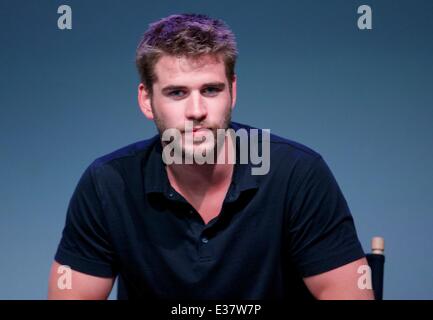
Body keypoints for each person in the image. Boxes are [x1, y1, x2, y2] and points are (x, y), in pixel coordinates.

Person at [48, 13, 374, 300]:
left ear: (232, 90)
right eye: (177, 93)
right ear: (147, 100)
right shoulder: (108, 184)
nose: (197, 111)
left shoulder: (297, 174)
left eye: (211, 90)